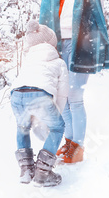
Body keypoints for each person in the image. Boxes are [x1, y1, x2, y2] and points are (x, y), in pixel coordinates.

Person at [39, 0, 109, 164]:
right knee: (61, 97)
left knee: (75, 97)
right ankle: (69, 143)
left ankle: (78, 147)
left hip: (79, 44)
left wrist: (100, 45)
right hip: (57, 45)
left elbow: (97, 14)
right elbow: (45, 15)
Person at [10, 20, 69, 187]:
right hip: (40, 95)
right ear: (51, 44)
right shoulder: (58, 62)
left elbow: (27, 86)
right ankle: (43, 173)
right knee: (58, 127)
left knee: (23, 127)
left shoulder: (28, 59)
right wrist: (54, 116)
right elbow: (62, 94)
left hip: (16, 94)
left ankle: (26, 170)